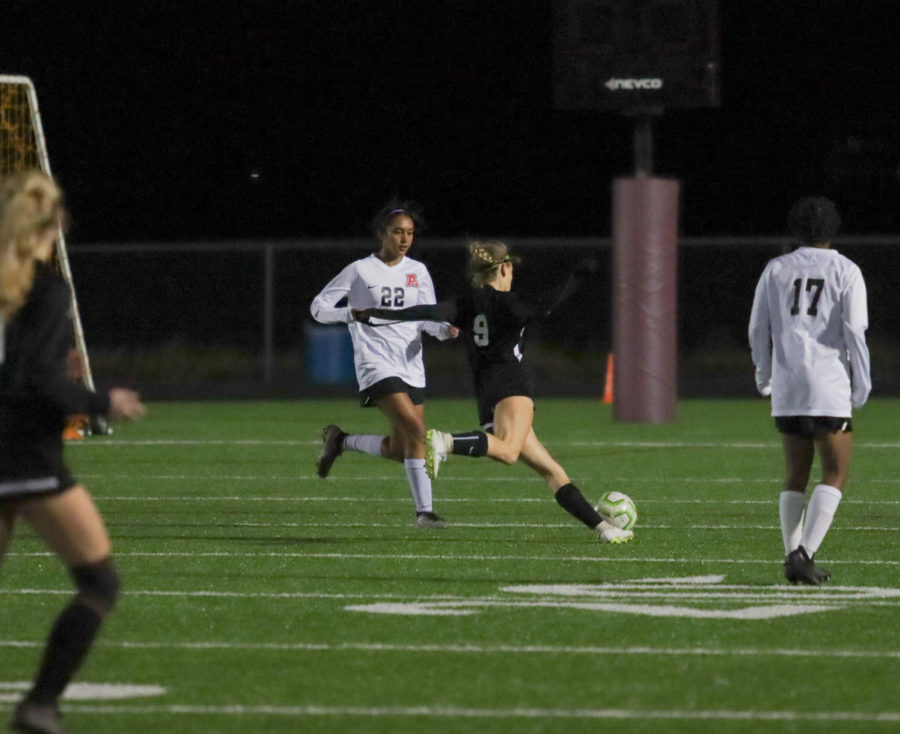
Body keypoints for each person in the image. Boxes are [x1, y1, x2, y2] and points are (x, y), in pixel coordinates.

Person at [354, 239, 633, 544]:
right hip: (513, 385)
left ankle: (606, 530)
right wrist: (583, 271)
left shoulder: (465, 303)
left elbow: (426, 311)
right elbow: (547, 305)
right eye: (511, 268)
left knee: (552, 471)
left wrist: (377, 314)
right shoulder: (511, 304)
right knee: (510, 451)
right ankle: (445, 442)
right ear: (504, 267)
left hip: (487, 392)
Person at [0, 170, 146, 734]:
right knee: (100, 583)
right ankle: (40, 703)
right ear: (47, 224)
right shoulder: (46, 287)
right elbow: (34, 382)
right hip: (27, 458)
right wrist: (102, 400)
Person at [309, 200, 456, 528]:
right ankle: (425, 513)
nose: (404, 239)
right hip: (375, 364)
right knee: (419, 433)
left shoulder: (418, 272)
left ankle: (340, 441)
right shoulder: (360, 269)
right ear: (381, 234)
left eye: (410, 233)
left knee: (401, 448)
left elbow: (426, 318)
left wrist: (445, 330)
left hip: (411, 365)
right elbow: (318, 308)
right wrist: (351, 313)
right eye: (397, 232)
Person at [748, 196, 870, 585]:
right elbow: (855, 331)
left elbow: (757, 328)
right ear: (833, 228)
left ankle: (792, 556)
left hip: (787, 383)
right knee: (835, 471)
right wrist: (862, 382)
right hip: (828, 382)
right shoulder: (846, 269)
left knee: (795, 473)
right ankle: (805, 553)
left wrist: (764, 373)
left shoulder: (775, 268)